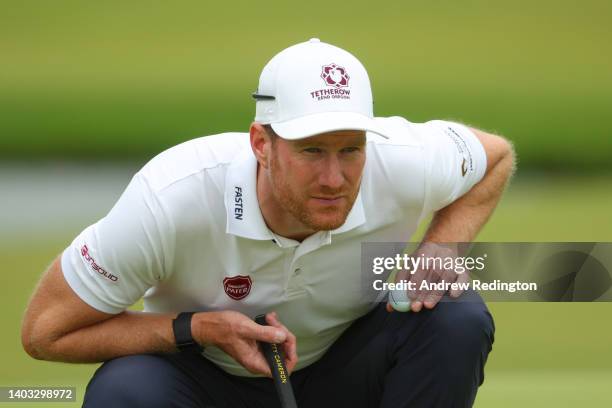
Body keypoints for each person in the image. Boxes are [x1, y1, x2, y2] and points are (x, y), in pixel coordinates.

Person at [21, 38, 514, 407]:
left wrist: (439, 249)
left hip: (348, 368)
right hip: (199, 380)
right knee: (126, 391)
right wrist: (196, 328)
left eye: (350, 150)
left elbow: (495, 157)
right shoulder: (172, 196)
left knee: (455, 316)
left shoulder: (402, 160)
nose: (334, 177)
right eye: (310, 151)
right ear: (261, 143)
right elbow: (46, 331)